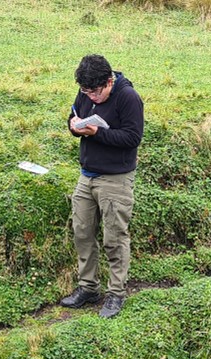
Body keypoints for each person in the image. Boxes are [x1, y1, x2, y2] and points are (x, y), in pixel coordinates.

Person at [59, 53, 145, 319]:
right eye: (86, 92)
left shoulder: (128, 98)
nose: (91, 97)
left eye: (95, 92)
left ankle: (116, 293)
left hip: (116, 178)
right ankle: (88, 288)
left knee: (114, 237)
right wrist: (74, 127)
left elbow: (133, 138)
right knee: (82, 232)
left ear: (109, 81)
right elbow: (73, 116)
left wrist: (98, 133)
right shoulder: (86, 91)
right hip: (87, 175)